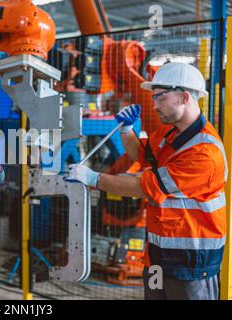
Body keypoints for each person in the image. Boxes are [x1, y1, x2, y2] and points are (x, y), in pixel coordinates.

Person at [66, 62, 227, 300]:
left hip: (191, 264)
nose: (154, 105)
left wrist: (94, 178)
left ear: (184, 97)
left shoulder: (205, 153)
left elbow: (143, 187)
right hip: (157, 257)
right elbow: (141, 155)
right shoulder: (168, 133)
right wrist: (127, 130)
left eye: (160, 98)